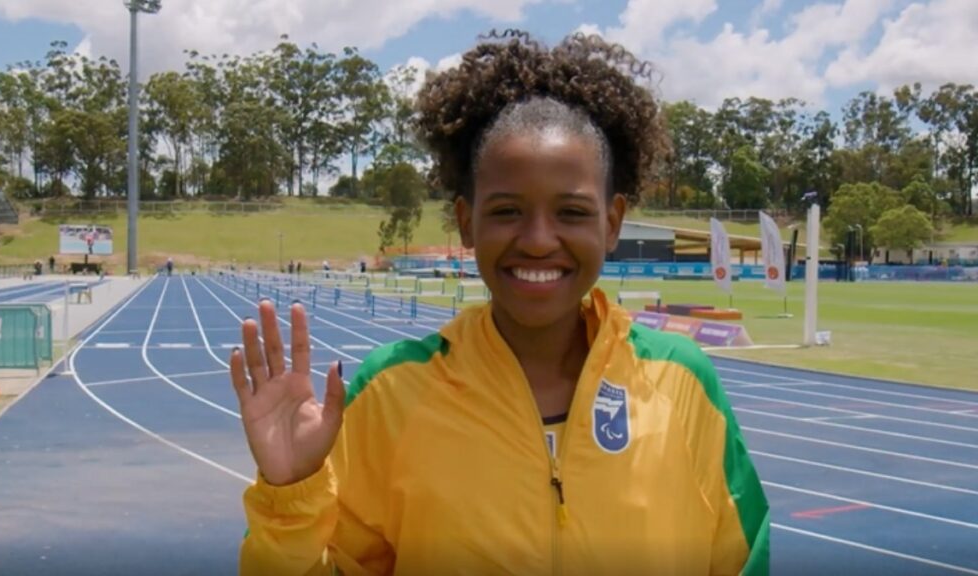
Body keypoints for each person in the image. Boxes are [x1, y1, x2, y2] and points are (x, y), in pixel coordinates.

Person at [232, 30, 769, 576]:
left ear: (612, 223)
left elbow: (741, 559)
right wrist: (289, 498)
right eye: (508, 211)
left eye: (572, 213)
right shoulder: (392, 394)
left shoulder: (682, 385)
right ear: (467, 223)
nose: (538, 239)